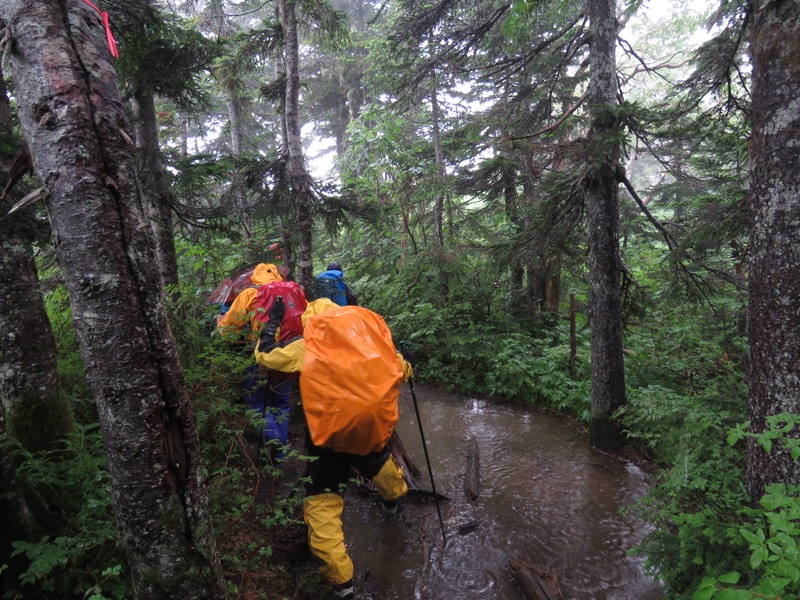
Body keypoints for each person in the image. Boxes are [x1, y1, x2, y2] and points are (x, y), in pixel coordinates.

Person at [253, 298, 414, 599]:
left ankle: (343, 582)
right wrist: (409, 360)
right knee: (378, 464)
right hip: (371, 434)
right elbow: (403, 369)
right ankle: (394, 501)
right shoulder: (374, 343)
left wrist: (271, 323)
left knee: (322, 505)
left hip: (329, 438)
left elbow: (266, 357)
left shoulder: (309, 345)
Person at [216, 263, 295, 460]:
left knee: (256, 401)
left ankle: (272, 437)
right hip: (290, 355)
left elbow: (228, 329)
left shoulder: (250, 294)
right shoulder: (291, 291)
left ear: (255, 277)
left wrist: (220, 321)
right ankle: (279, 455)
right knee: (282, 402)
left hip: (263, 356)